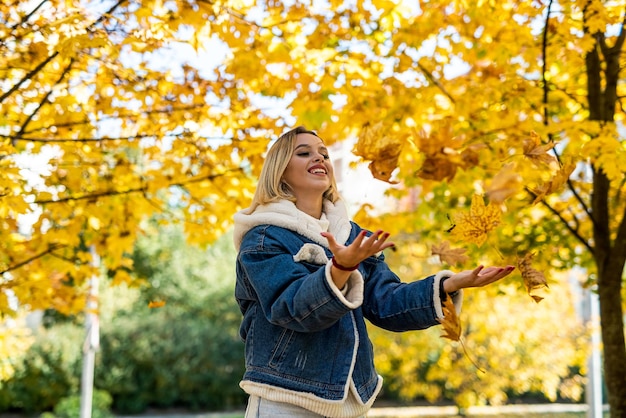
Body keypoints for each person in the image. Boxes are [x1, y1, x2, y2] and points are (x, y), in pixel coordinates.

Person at [233, 126, 515, 418]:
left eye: (324, 154)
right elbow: (291, 307)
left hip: (352, 398)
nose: (319, 159)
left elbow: (386, 303)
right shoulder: (263, 237)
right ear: (279, 171)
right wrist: (340, 268)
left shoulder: (351, 235)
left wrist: (446, 284)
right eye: (304, 153)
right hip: (285, 398)